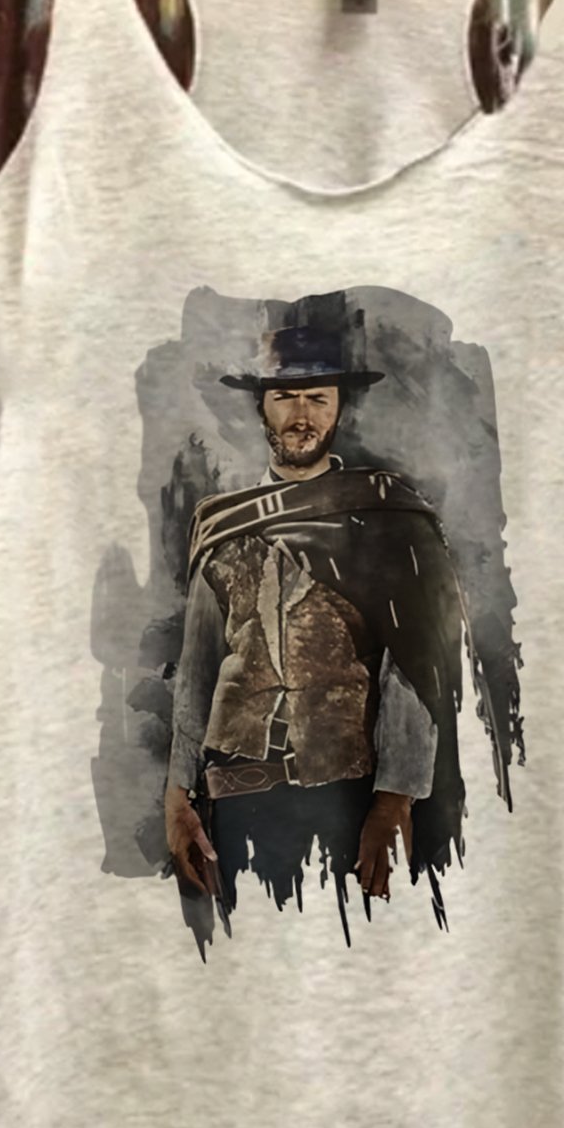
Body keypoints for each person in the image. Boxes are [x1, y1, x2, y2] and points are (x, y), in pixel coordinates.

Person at [163, 324, 472, 945]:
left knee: (359, 952)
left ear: (338, 409)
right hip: (236, 795)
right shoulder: (221, 525)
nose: (301, 415)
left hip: (347, 795)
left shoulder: (384, 519)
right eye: (285, 397)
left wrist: (394, 798)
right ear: (262, 407)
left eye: (318, 399)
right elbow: (197, 670)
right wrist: (178, 791)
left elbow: (413, 667)